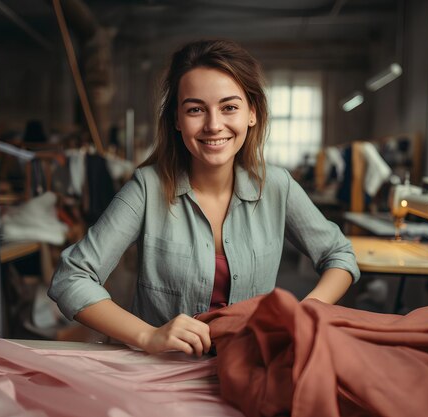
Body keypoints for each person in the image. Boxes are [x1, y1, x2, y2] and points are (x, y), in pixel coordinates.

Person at [48, 39, 360, 357]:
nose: (213, 125)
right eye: (196, 109)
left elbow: (339, 254)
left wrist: (304, 312)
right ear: (177, 121)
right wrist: (147, 335)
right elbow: (71, 278)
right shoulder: (147, 188)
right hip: (163, 373)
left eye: (229, 107)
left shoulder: (276, 185)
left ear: (252, 113)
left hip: (250, 368)